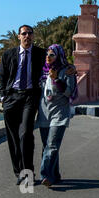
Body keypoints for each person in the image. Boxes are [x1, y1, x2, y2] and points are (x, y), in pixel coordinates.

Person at [0, 24, 76, 186]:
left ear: (33, 36)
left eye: (30, 33)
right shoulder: (8, 55)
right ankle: (20, 172)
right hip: (11, 98)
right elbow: (3, 77)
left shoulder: (41, 53)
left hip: (30, 96)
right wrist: (3, 97)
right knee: (12, 138)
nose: (27, 36)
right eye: (24, 33)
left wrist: (72, 67)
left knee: (26, 133)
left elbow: (58, 60)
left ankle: (28, 173)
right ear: (19, 36)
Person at [36, 44, 77, 187]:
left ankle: (46, 175)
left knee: (52, 145)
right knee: (47, 146)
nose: (48, 57)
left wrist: (57, 80)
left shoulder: (67, 71)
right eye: (47, 55)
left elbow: (69, 92)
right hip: (44, 112)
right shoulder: (41, 71)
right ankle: (55, 175)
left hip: (59, 112)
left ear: (58, 56)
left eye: (52, 55)